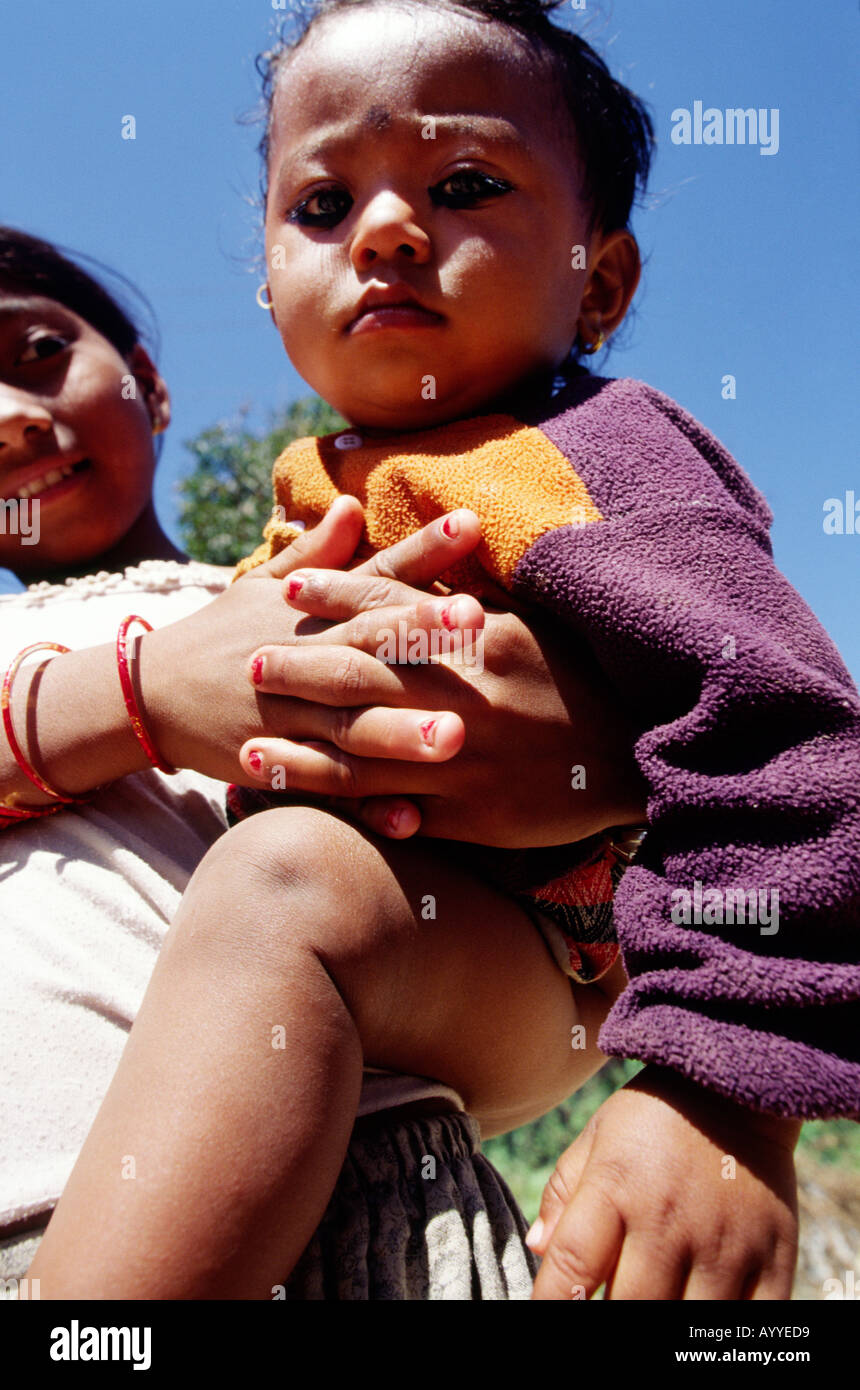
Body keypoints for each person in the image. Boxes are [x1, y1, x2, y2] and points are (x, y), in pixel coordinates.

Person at [27, 0, 859, 1301]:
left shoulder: (592, 453)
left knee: (283, 878)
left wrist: (722, 1088)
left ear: (602, 281)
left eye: (464, 184)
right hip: (353, 967)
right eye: (321, 206)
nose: (387, 229)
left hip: (498, 964)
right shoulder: (313, 494)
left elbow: (787, 731)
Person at [0, 225, 644, 1298]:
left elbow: (574, 942)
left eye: (38, 352)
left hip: (368, 1198)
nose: (13, 417)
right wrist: (140, 692)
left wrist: (594, 758)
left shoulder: (338, 579)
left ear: (151, 387)